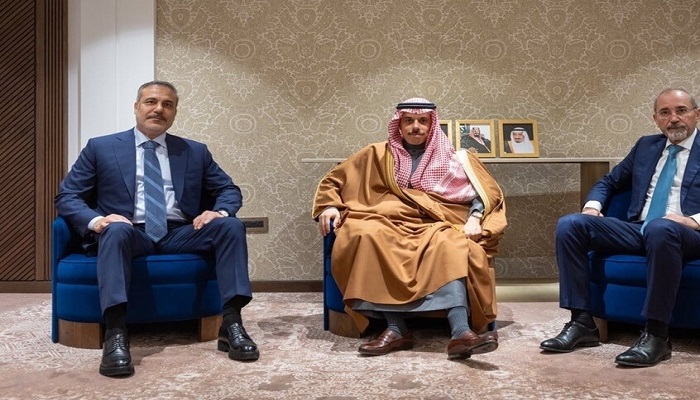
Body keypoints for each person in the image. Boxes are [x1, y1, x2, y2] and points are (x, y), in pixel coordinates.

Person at [55, 81, 259, 377]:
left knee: (230, 226)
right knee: (114, 231)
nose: (159, 109)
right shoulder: (101, 147)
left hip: (179, 232)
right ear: (136, 107)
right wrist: (98, 221)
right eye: (151, 102)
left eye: (168, 104)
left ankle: (232, 324)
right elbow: (68, 196)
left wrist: (219, 211)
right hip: (129, 231)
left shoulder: (194, 151)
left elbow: (228, 189)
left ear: (175, 112)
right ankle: (115, 332)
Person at [313, 98, 507, 358]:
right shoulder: (376, 154)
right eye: (409, 121)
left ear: (432, 125)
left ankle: (461, 332)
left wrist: (474, 218)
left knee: (450, 244)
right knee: (365, 235)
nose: (416, 126)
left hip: (436, 222)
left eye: (422, 121)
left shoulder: (456, 158)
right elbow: (333, 180)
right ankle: (396, 329)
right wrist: (330, 206)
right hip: (385, 220)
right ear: (399, 124)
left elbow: (485, 194)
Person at [540, 88, 700, 367]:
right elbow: (609, 182)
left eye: (681, 110)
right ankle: (582, 323)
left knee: (661, 229)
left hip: (689, 233)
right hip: (640, 229)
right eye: (665, 113)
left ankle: (657, 335)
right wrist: (592, 208)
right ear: (656, 119)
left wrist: (693, 220)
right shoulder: (646, 146)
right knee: (571, 224)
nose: (673, 118)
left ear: (696, 114)